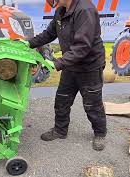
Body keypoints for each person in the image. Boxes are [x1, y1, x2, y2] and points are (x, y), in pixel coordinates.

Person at [28, 0, 107, 151]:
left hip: (89, 67)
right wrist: (28, 43)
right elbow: (48, 34)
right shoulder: (61, 11)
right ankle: (60, 130)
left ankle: (100, 133)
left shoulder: (85, 10)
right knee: (62, 100)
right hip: (71, 65)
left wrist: (57, 63)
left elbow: (83, 46)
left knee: (92, 105)